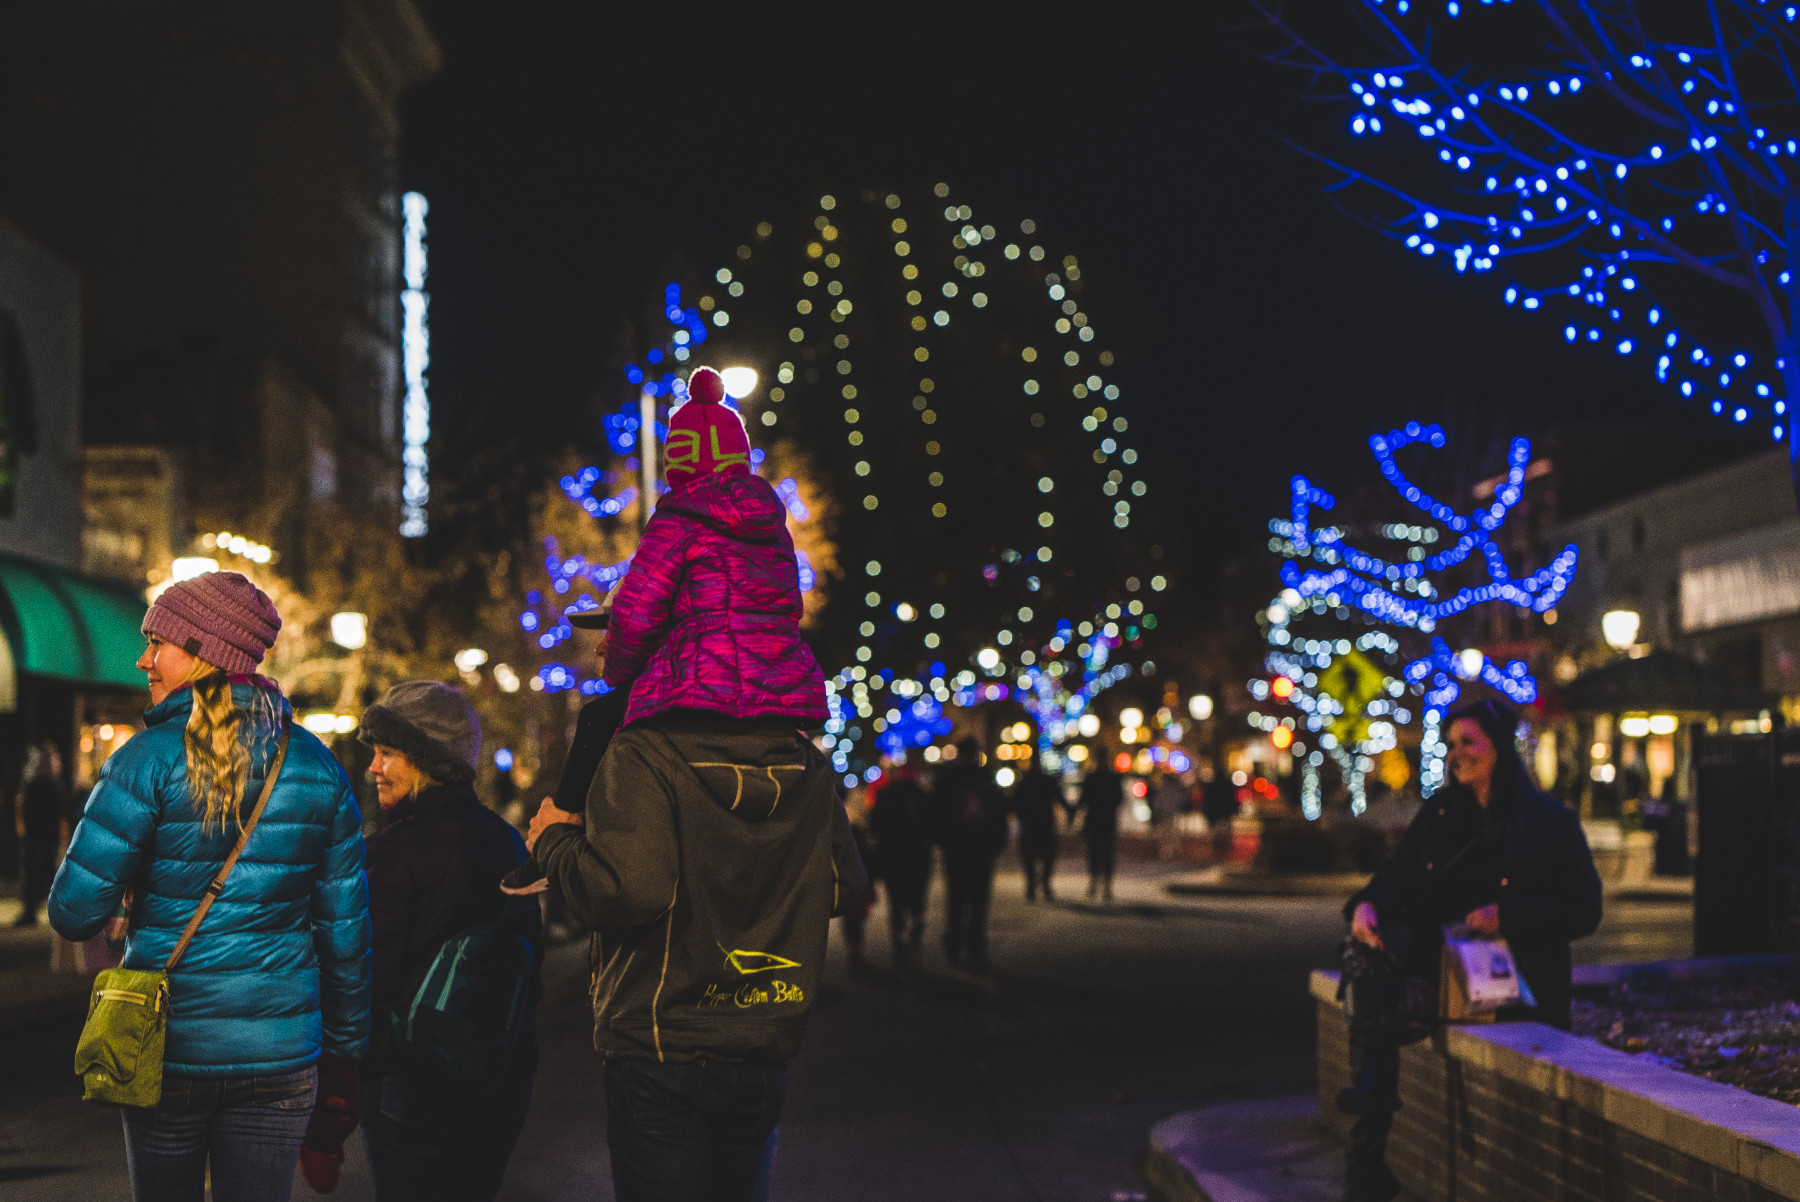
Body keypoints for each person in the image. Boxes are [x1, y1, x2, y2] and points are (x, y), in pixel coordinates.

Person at [528, 363, 867, 1202]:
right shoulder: (803, 760)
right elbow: (843, 882)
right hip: (764, 1040)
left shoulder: (648, 755)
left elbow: (629, 889)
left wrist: (558, 843)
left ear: (678, 460)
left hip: (663, 1044)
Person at [48, 571, 369, 1202]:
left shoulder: (144, 762)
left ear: (202, 654)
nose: (143, 659)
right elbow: (345, 936)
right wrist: (346, 1054)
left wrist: (138, 878)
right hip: (281, 1054)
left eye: (158, 642)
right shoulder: (319, 768)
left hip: (169, 1045)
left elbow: (73, 911)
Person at [1338, 699, 1602, 1202]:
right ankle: (1368, 1139)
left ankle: (1367, 1155)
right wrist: (1368, 905)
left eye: (1468, 742)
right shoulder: (1440, 813)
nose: (1456, 753)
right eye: (1451, 744)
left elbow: (1585, 909)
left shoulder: (1548, 822)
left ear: (1499, 748)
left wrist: (1508, 915)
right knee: (1363, 964)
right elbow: (1398, 875)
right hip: (1442, 972)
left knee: (1372, 1014)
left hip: (1511, 982)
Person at [338, 680, 542, 1201]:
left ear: (429, 760)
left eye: (387, 753)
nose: (372, 767)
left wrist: (353, 1075)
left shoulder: (389, 852)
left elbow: (368, 979)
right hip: (496, 1077)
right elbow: (526, 966)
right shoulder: (505, 840)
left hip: (408, 1081)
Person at [933, 737, 1008, 970]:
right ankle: (972, 947)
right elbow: (999, 813)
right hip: (976, 849)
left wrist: (943, 841)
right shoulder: (984, 777)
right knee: (976, 900)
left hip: (961, 848)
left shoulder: (948, 779)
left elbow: (937, 813)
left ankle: (957, 946)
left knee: (958, 900)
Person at [869, 758, 934, 970]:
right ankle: (914, 949)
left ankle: (899, 948)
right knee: (917, 905)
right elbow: (932, 827)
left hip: (892, 858)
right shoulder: (923, 796)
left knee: (896, 906)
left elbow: (874, 826)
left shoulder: (885, 795)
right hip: (918, 859)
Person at [14, 739, 68, 926]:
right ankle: (60, 910)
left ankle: (31, 911)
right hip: (48, 835)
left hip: (36, 835)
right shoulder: (54, 786)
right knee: (50, 872)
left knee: (33, 873)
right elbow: (60, 814)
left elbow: (27, 811)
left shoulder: (34, 785)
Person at [1010, 761, 1064, 903]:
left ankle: (1036, 885)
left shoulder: (1026, 782)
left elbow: (1014, 803)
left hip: (1035, 825)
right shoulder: (1041, 781)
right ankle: (1038, 885)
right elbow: (1059, 797)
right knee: (1042, 857)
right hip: (1039, 824)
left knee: (1035, 857)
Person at [1077, 757, 1124, 902]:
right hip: (1100, 821)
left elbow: (1084, 799)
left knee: (1103, 854)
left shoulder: (1099, 778)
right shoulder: (1103, 778)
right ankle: (1097, 884)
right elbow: (1118, 798)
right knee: (1097, 854)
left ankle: (1103, 886)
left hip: (1102, 821)